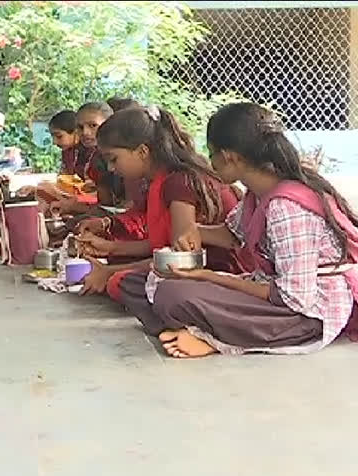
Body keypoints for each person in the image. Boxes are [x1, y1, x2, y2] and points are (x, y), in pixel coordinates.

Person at [128, 103, 358, 358]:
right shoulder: (257, 193)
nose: (211, 163)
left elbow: (294, 299)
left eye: (212, 154)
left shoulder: (286, 206)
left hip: (306, 315)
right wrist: (195, 231)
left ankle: (211, 337)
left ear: (230, 157)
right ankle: (198, 325)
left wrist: (208, 277)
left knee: (174, 293)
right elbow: (232, 235)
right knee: (141, 282)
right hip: (271, 292)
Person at [79, 105, 245, 297]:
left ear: (142, 151)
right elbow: (164, 244)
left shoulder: (178, 183)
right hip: (190, 266)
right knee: (120, 270)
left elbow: (180, 260)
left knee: (122, 282)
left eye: (114, 159)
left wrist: (109, 272)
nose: (110, 168)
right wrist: (111, 248)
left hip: (221, 273)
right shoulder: (160, 180)